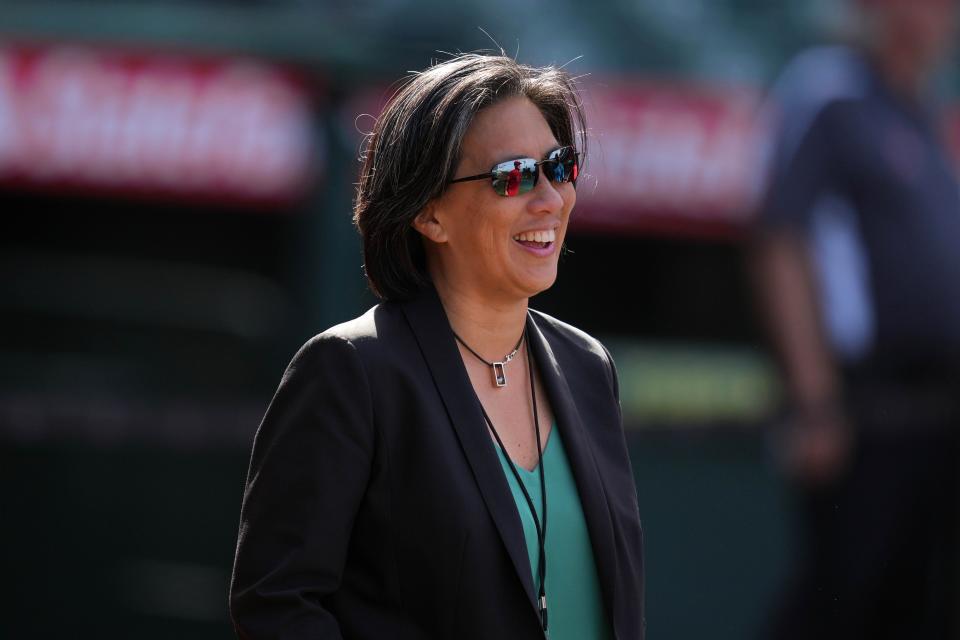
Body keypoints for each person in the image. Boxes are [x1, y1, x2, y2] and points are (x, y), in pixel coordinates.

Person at [229, 53, 645, 640]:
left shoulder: (587, 368)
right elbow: (276, 604)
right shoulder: (351, 370)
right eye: (516, 176)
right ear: (429, 214)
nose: (550, 198)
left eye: (559, 166)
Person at [752, 1, 960, 638]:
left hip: (935, 417)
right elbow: (780, 241)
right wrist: (816, 402)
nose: (927, 15)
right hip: (864, 414)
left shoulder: (919, 112)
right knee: (842, 603)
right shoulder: (829, 93)